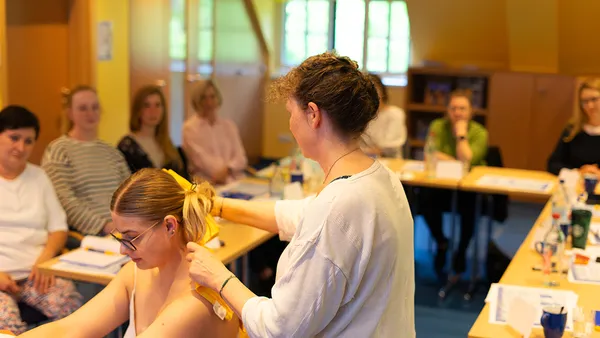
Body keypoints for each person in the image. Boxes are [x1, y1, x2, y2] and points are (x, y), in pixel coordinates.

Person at [185, 52, 416, 337]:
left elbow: (278, 329)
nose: (290, 124)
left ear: (313, 114)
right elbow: (297, 215)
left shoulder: (338, 207)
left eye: (290, 113)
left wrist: (217, 276)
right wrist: (215, 205)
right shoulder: (381, 179)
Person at [19, 168, 240, 337]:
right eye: (119, 237)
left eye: (131, 237)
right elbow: (71, 328)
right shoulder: (136, 273)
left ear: (170, 226)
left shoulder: (195, 299)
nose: (123, 250)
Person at [0, 106, 82, 335]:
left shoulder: (39, 177)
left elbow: (58, 229)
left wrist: (45, 261)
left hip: (36, 275)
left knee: (74, 310)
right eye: (14, 138)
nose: (21, 147)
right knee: (6, 325)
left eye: (28, 141)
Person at [41, 86, 131, 236]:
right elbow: (64, 200)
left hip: (124, 229)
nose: (90, 113)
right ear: (70, 113)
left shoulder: (111, 152)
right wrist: (106, 227)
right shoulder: (58, 150)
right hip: (88, 235)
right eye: (83, 108)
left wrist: (132, 225)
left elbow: (130, 191)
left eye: (95, 107)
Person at [419, 89, 488, 283]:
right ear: (447, 110)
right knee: (424, 199)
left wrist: (461, 136)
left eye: (463, 108)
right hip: (441, 185)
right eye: (453, 108)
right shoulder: (437, 126)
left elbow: (468, 159)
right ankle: (441, 241)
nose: (457, 113)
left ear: (471, 111)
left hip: (467, 189)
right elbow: (429, 154)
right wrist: (455, 161)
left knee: (471, 206)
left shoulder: (479, 132)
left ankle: (461, 251)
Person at [182, 80, 247, 185]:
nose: (209, 102)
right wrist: (222, 173)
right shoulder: (189, 128)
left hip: (234, 180)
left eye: (212, 97)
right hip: (209, 184)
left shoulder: (228, 126)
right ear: (197, 100)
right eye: (203, 98)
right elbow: (202, 160)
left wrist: (228, 169)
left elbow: (241, 158)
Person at [118, 85, 188, 178]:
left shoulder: (168, 145)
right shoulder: (127, 147)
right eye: (147, 105)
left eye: (157, 105)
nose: (153, 111)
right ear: (138, 110)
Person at [547, 78, 600, 176]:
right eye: (584, 101)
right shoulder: (573, 129)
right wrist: (578, 172)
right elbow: (553, 164)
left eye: (594, 99)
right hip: (574, 185)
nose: (590, 106)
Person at [361, 73, 407, 158]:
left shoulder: (395, 114)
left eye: (374, 88)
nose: (370, 93)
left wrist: (365, 151)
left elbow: (390, 147)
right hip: (364, 161)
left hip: (390, 161)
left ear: (382, 90)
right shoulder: (362, 116)